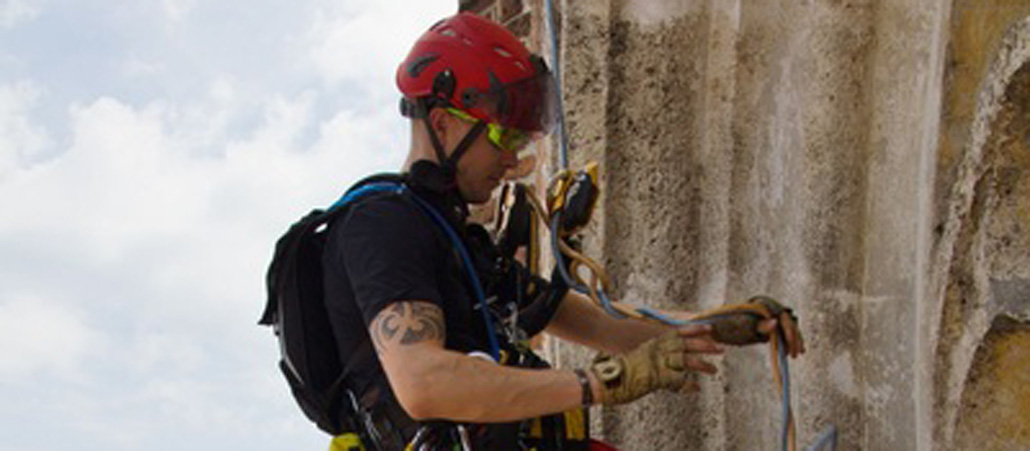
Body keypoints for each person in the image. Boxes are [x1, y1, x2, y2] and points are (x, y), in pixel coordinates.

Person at [321, 12, 799, 450]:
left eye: (522, 140)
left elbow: (590, 322)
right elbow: (424, 383)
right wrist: (598, 383)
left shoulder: (459, 243)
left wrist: (725, 325)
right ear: (444, 124)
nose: (512, 159)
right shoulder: (381, 225)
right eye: (502, 136)